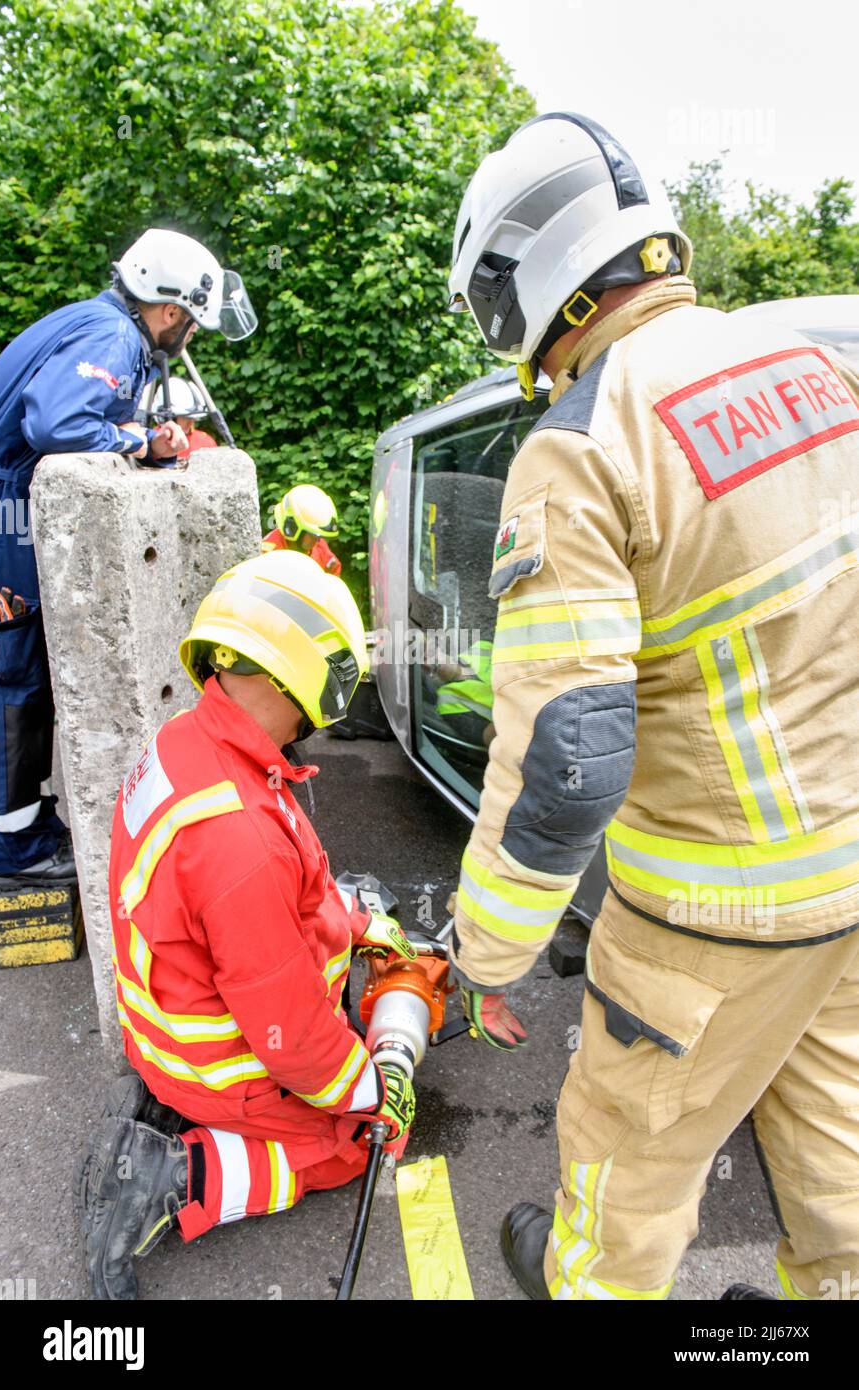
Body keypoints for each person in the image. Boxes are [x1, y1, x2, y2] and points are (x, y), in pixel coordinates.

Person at [446, 111, 859, 1301]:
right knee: (839, 1173)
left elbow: (568, 752)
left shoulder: (582, 441)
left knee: (620, 1186)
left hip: (704, 917)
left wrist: (487, 954)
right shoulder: (817, 374)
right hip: (845, 884)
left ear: (525, 277)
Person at [77, 549, 416, 1299]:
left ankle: (160, 1103)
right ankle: (173, 1178)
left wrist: (356, 924)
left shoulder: (187, 743)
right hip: (224, 1059)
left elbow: (278, 899)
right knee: (351, 1145)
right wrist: (368, 1089)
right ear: (299, 671)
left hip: (166, 1018)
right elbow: (290, 1037)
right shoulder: (241, 838)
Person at [0, 228, 256, 884]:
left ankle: (22, 817)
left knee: (26, 674)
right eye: (190, 324)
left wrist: (137, 437)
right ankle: (13, 846)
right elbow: (55, 426)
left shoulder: (106, 328)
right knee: (14, 678)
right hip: (7, 521)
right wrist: (141, 440)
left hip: (12, 513)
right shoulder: (112, 336)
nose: (189, 336)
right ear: (169, 311)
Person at [262, 483, 343, 575]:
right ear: (293, 528)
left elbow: (334, 573)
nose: (317, 540)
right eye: (312, 534)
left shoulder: (320, 547)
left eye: (319, 535)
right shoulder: (269, 553)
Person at [149, 375, 218, 458]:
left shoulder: (205, 442)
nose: (191, 423)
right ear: (166, 416)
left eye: (193, 418)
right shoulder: (150, 444)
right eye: (186, 418)